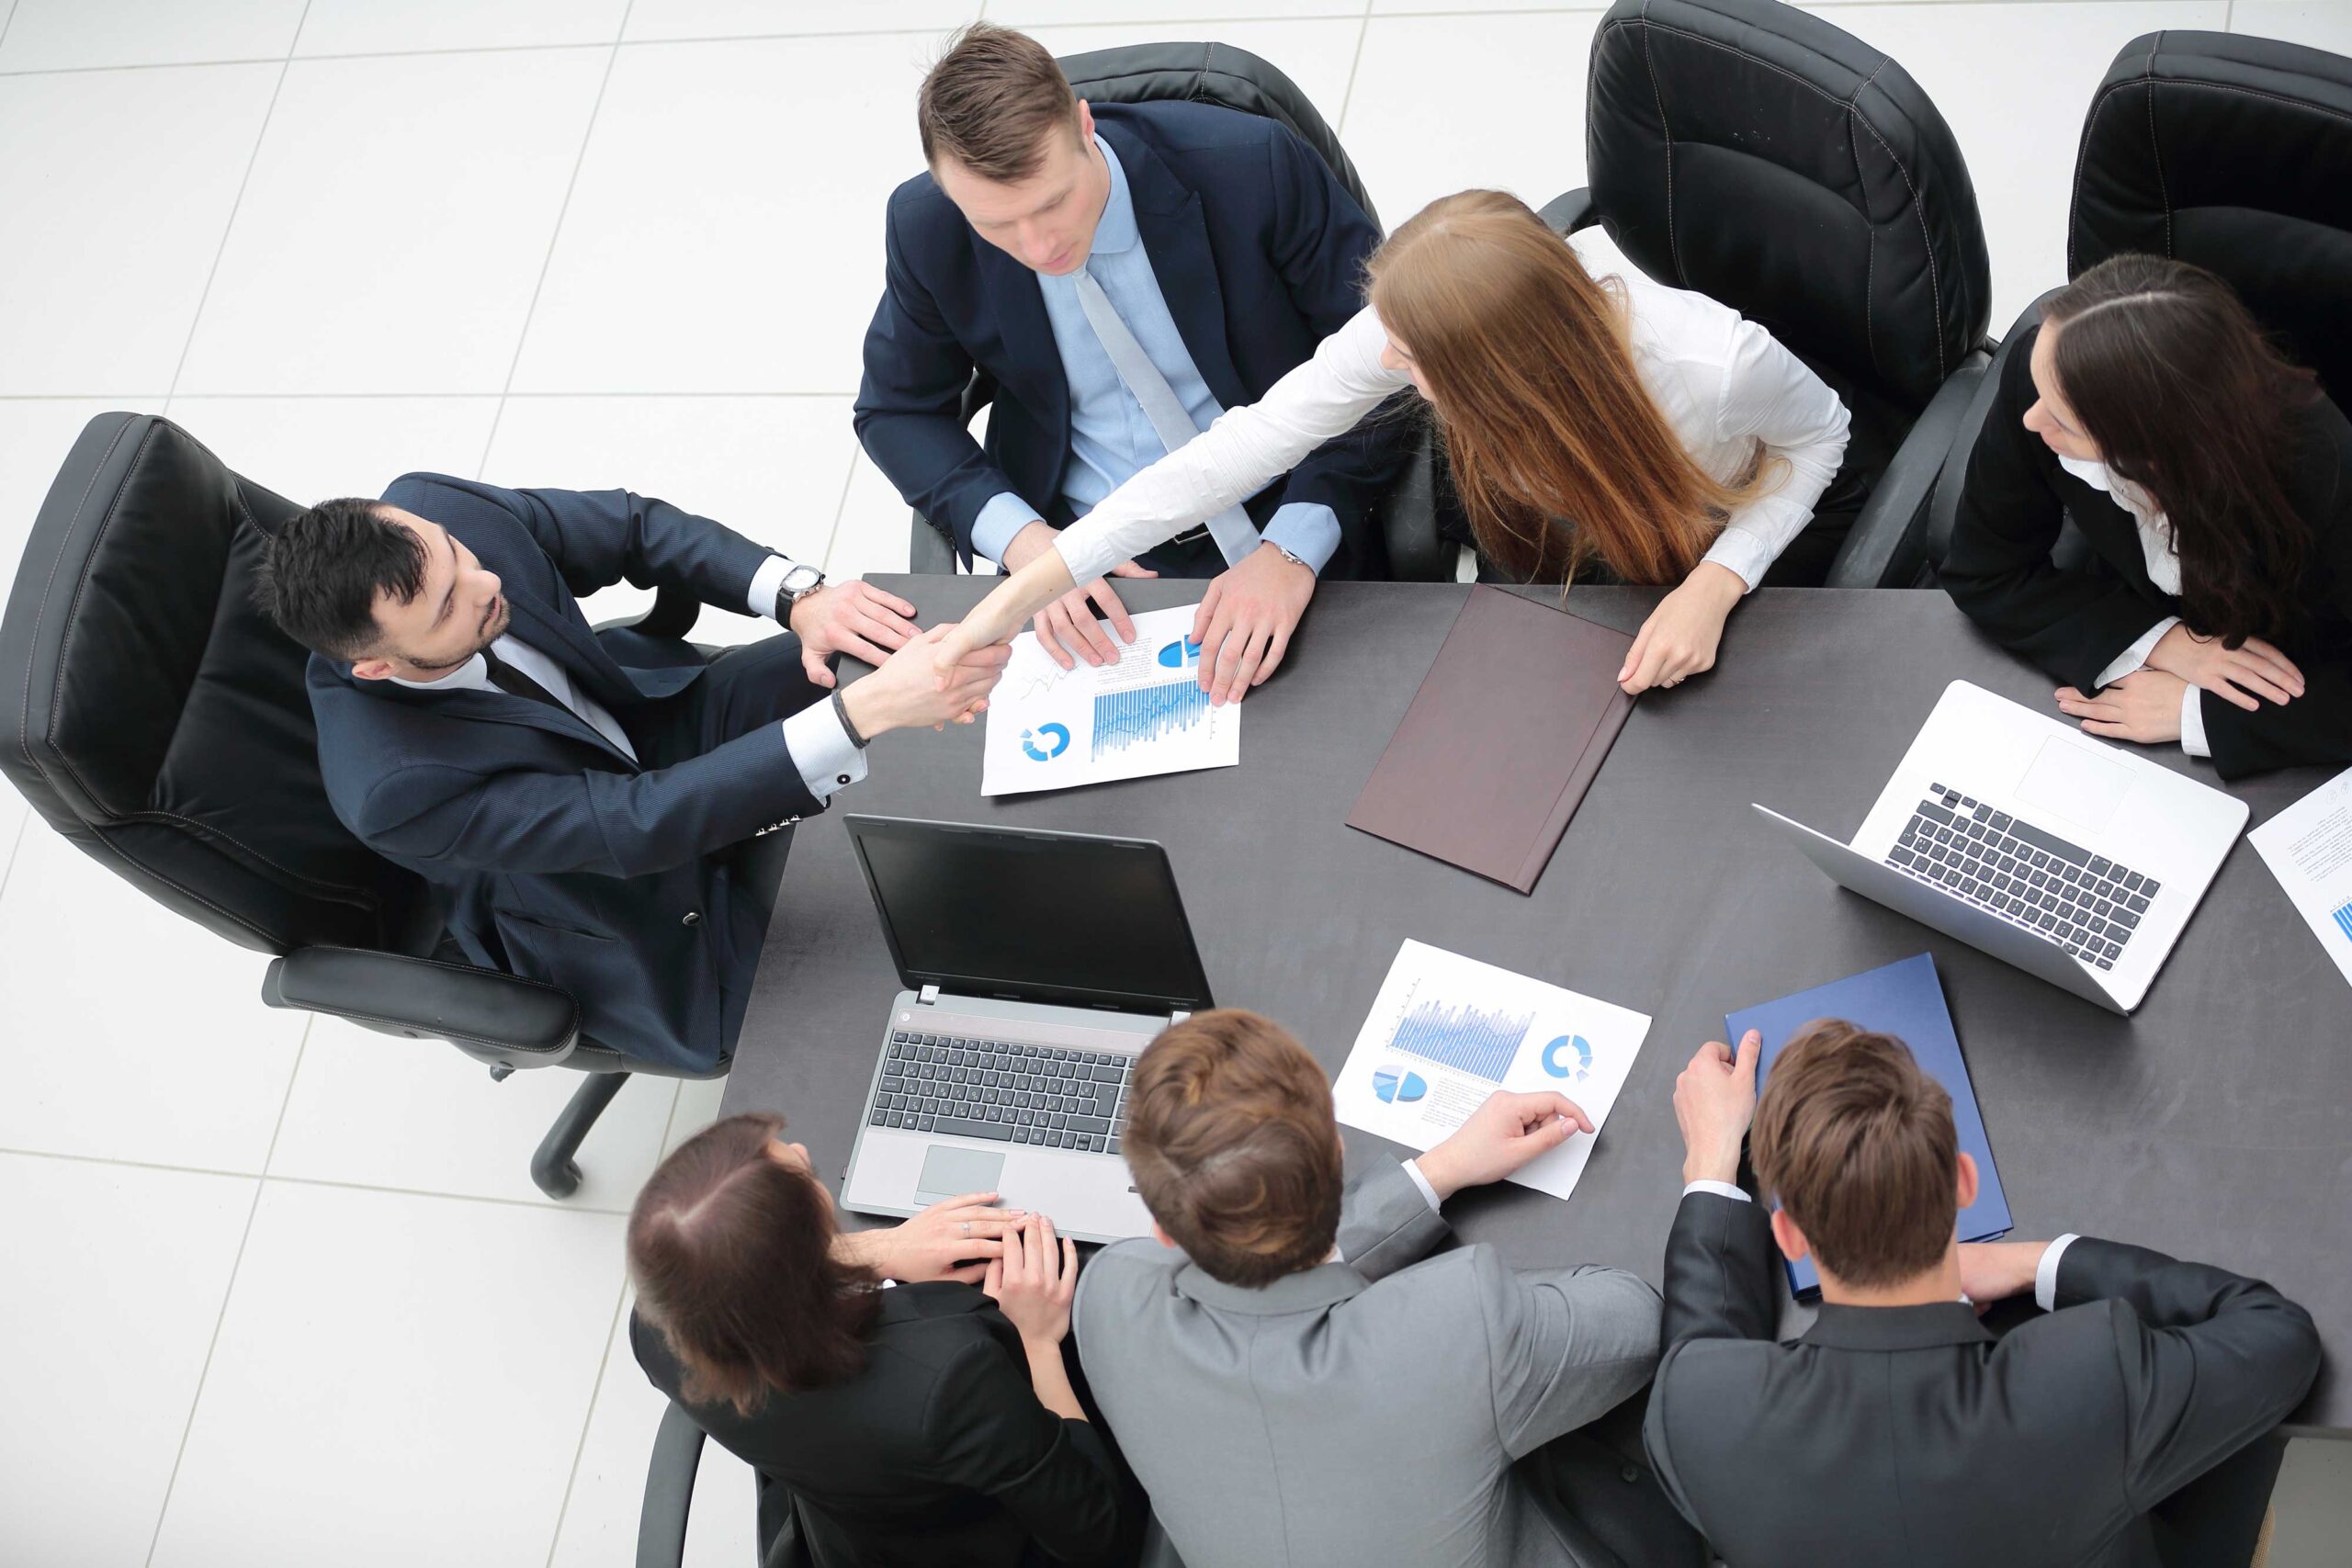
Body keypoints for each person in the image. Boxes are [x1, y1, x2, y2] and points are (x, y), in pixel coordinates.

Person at [935, 187, 1852, 700]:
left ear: (1504, 364)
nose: (1392, 368)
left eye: (1415, 364)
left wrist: (1715, 586)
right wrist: (1003, 607)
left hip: (1703, 534)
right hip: (1563, 538)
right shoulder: (1413, 327)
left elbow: (1822, 438)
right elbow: (1234, 451)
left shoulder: (1710, 366)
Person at [254, 473, 1004, 1072]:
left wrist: (798, 597)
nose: (484, 585)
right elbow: (630, 824)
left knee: (890, 648)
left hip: (651, 725)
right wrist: (857, 718)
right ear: (377, 665)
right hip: (629, 906)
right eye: (450, 604)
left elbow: (631, 528)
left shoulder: (433, 504)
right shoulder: (392, 788)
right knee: (891, 1004)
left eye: (457, 555)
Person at [857, 22, 1414, 701]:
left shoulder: (1253, 168)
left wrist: (1291, 549)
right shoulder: (926, 226)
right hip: (1085, 556)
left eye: (1053, 203)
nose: (1036, 246)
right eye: (997, 226)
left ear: (1086, 125)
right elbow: (896, 410)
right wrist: (1033, 548)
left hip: (1285, 502)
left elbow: (1388, 363)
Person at [1648, 1021, 2321, 1567]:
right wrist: (2039, 1260)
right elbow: (2278, 1336)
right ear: (1963, 1184)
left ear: (1789, 1234)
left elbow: (1703, 1347)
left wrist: (1712, 1164)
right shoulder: (2091, 1381)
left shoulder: (1698, 1412)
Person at [1072, 1009, 1700, 1568]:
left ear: (1161, 1226)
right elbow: (1634, 1318)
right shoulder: (1461, 1329)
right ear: (1338, 1156)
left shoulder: (1108, 1297)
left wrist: (1441, 1169)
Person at [629, 1111, 1134, 1567]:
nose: (805, 1154)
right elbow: (1099, 1535)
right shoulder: (952, 1371)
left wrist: (879, 1247)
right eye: (803, 1177)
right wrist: (1034, 1339)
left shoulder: (657, 1330)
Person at [1941, 254, 2352, 778]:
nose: (2031, 418)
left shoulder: (2327, 478)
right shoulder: (2048, 370)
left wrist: (2197, 714)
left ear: (2159, 452)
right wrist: (2159, 641)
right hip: (2136, 610)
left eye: (2064, 423)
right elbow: (1983, 570)